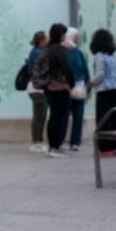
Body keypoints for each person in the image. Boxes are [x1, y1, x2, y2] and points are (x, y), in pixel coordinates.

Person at [39, 23, 75, 158]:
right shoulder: (59, 49)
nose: (65, 36)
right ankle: (55, 146)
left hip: (49, 86)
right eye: (64, 34)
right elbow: (66, 67)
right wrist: (72, 82)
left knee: (54, 115)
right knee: (59, 117)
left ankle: (53, 146)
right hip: (60, 87)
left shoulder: (48, 49)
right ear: (60, 35)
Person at [89, 29, 116, 158]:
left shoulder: (99, 55)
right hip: (115, 89)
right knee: (113, 119)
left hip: (103, 90)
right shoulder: (115, 55)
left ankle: (105, 149)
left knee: (103, 120)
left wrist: (90, 83)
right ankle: (113, 148)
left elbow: (100, 75)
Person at [64, 29, 90, 151]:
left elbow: (85, 69)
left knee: (78, 116)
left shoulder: (78, 52)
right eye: (76, 36)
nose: (78, 39)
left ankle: (75, 142)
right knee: (63, 116)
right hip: (66, 87)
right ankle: (60, 140)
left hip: (79, 87)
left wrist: (88, 85)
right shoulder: (64, 51)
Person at [24, 31, 49, 153]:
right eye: (46, 38)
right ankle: (36, 141)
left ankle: (38, 140)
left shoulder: (37, 52)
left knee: (41, 114)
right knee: (40, 114)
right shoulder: (38, 53)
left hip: (37, 87)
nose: (48, 40)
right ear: (41, 41)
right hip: (37, 87)